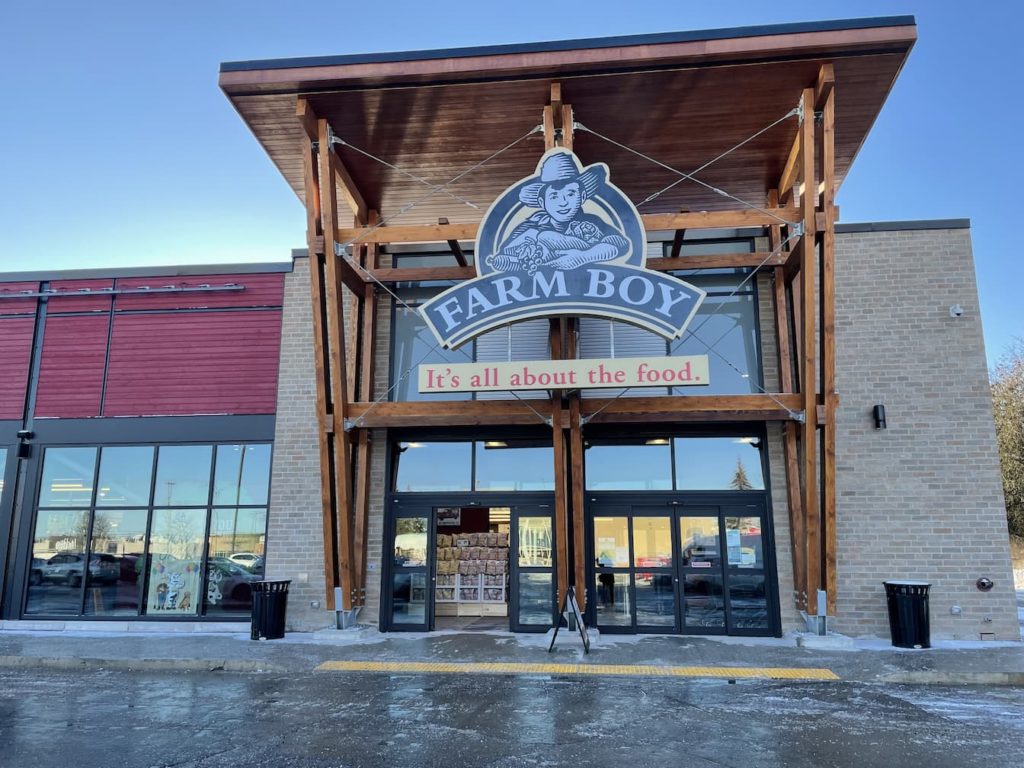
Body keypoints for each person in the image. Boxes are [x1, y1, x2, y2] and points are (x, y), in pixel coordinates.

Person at [488, 151, 630, 273]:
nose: (563, 202)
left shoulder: (591, 222)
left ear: (582, 197)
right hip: (544, 294)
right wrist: (531, 242)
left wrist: (583, 256)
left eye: (570, 194)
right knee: (543, 236)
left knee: (546, 236)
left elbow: (620, 243)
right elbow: (505, 252)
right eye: (554, 196)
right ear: (542, 203)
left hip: (583, 288)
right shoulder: (532, 225)